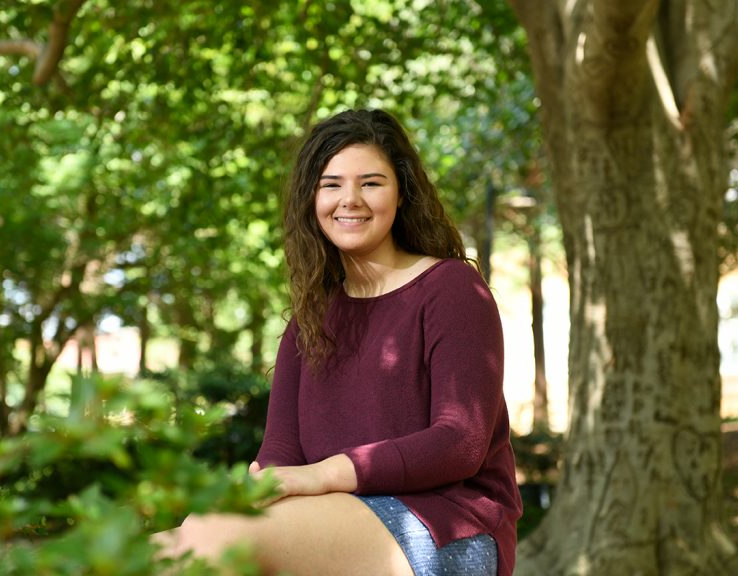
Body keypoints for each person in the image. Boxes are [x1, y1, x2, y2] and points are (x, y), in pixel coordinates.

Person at [157, 109, 522, 575]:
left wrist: (322, 474)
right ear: (312, 198)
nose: (350, 199)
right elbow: (281, 455)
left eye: (371, 183)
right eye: (331, 184)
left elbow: (459, 442)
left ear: (402, 192)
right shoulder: (309, 320)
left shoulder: (450, 289)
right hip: (335, 518)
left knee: (222, 536)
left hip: (445, 524)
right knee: (161, 550)